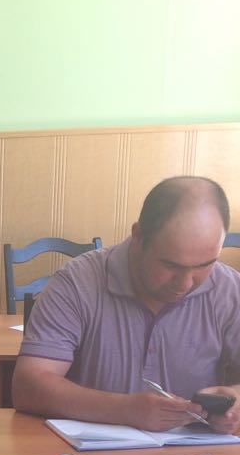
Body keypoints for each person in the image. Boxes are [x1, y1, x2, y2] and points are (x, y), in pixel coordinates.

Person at [13, 177, 240, 434]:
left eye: (204, 265)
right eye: (170, 265)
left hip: (198, 454)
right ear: (138, 236)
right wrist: (124, 409)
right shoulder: (78, 282)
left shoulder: (230, 290)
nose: (186, 283)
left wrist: (235, 400)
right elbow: (27, 387)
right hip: (89, 453)